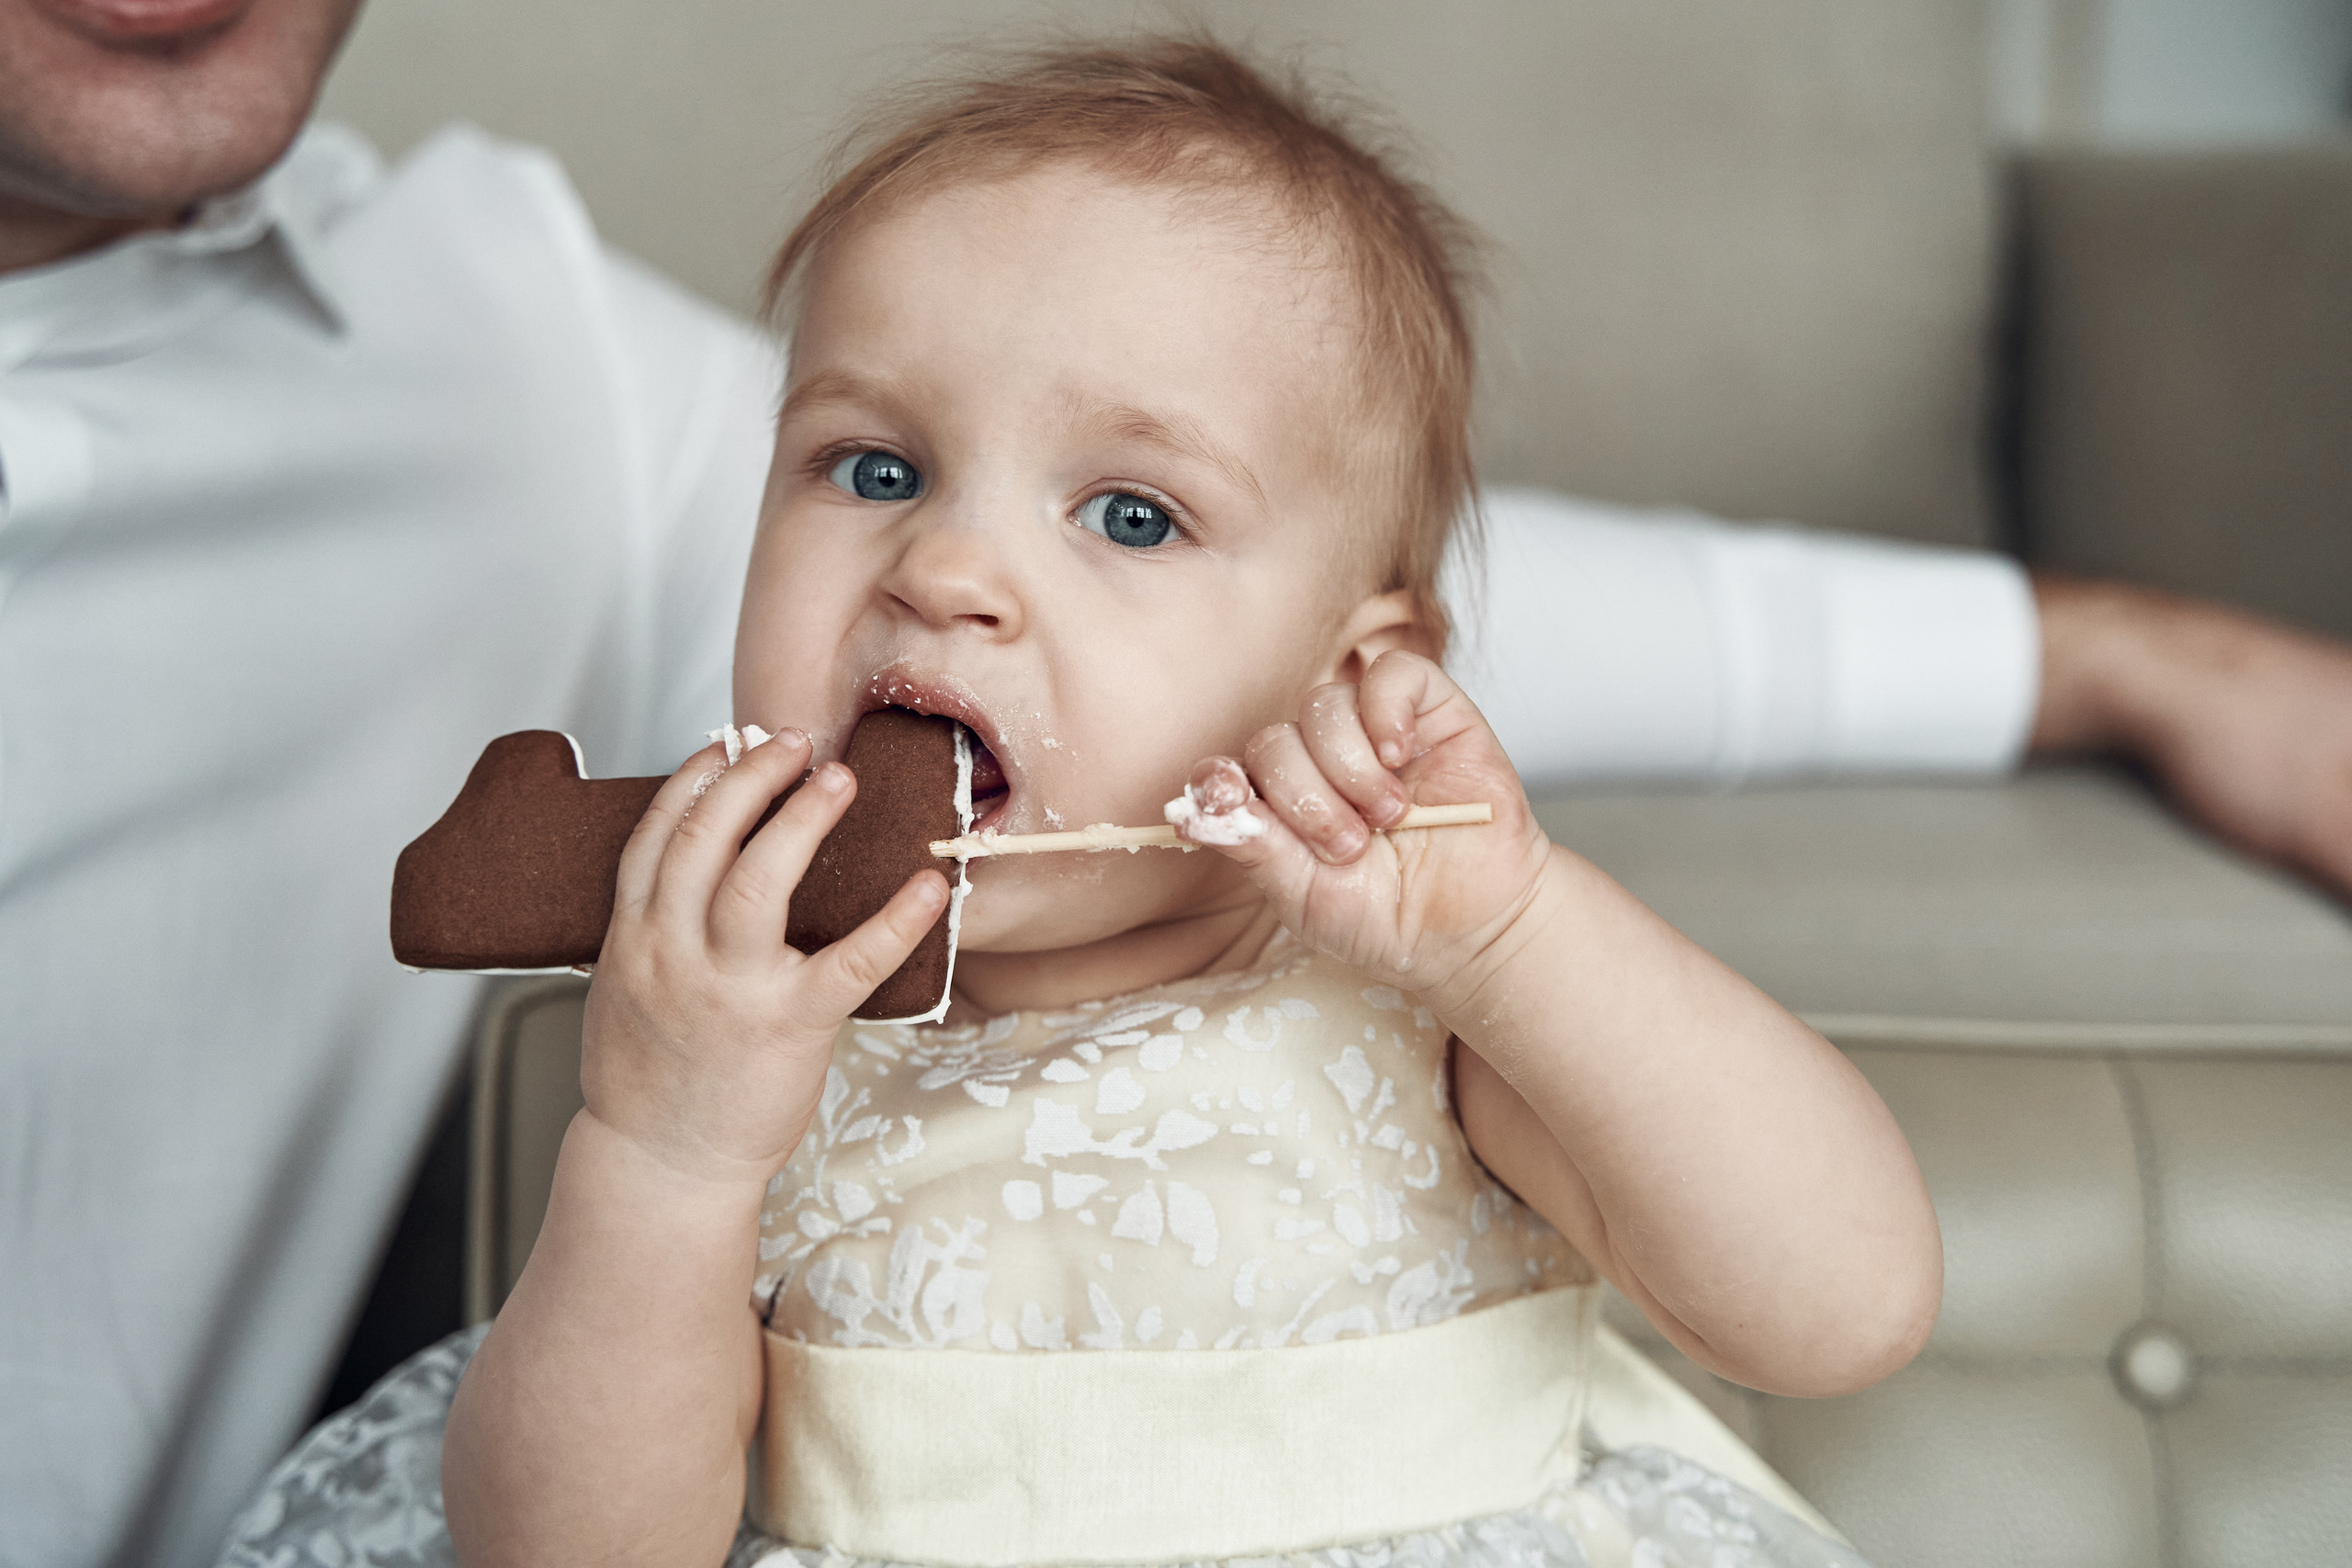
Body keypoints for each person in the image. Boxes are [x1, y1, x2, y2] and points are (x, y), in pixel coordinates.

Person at [4, 6, 2348, 1568]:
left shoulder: (1410, 975)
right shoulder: (736, 1035)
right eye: (871, 463)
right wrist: (665, 1143)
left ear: (1363, 673)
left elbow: (1835, 1302)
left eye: (1127, 516)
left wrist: (1520, 939)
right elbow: (564, 1548)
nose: (946, 574)